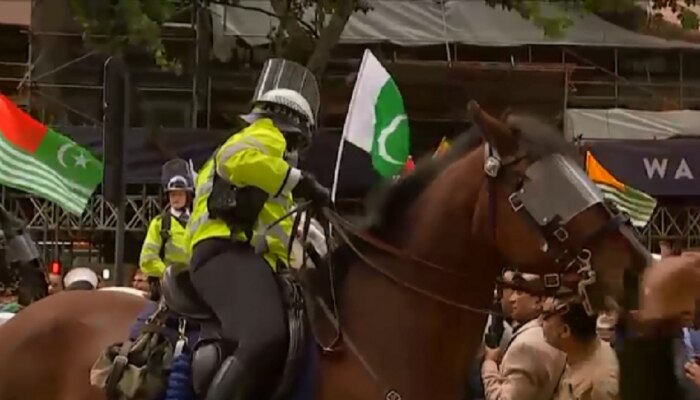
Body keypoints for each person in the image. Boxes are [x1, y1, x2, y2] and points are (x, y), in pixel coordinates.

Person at [186, 58, 329, 400]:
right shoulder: (266, 136)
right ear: (292, 129)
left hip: (238, 254)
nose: (294, 152)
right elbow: (234, 159)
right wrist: (300, 181)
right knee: (263, 335)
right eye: (296, 144)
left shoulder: (270, 178)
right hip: (223, 252)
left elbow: (278, 229)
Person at [481, 273, 566, 400]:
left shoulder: (526, 347)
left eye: (520, 293)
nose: (512, 299)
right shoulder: (551, 333)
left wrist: (489, 364)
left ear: (539, 301)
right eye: (513, 291)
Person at [542, 297, 620, 400]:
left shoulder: (599, 385)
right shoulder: (577, 352)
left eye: (545, 318)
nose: (539, 322)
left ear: (565, 331)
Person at [139, 158, 194, 296]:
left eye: (180, 194)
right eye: (172, 194)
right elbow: (147, 259)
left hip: (195, 284)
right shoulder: (159, 223)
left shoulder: (197, 222)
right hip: (169, 288)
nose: (175, 198)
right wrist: (168, 274)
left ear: (187, 196)